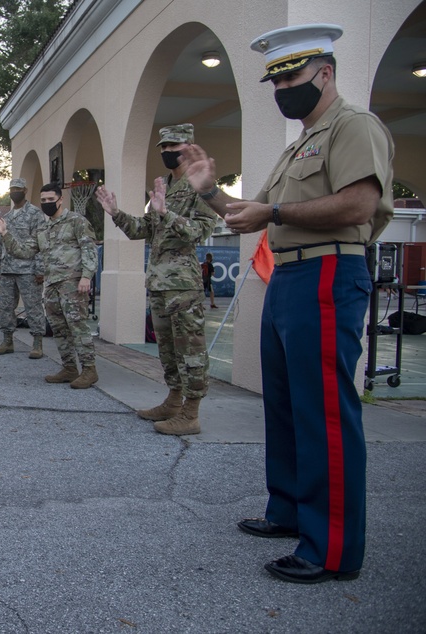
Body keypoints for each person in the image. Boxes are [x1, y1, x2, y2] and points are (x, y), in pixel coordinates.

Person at [181, 24, 394, 583]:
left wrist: (272, 215)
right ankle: (291, 512)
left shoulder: (353, 126)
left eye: (291, 76)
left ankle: (331, 548)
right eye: (275, 80)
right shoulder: (298, 143)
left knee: (323, 411)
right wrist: (209, 190)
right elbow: (247, 211)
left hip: (328, 271)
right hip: (290, 278)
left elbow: (358, 204)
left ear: (325, 73)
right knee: (285, 405)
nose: (282, 89)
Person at [95, 123, 219, 436]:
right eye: (163, 147)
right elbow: (143, 230)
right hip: (160, 282)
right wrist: (115, 212)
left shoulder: (199, 186)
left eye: (173, 146)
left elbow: (200, 231)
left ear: (188, 146)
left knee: (190, 349)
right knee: (167, 348)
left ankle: (191, 413)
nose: (166, 151)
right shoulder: (163, 185)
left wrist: (167, 214)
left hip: (183, 284)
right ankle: (173, 401)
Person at [0, 183, 99, 388]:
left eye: (51, 200)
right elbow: (24, 252)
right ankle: (69, 368)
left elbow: (89, 249)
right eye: (44, 200)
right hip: (52, 285)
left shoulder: (76, 221)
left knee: (77, 327)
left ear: (60, 200)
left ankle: (89, 370)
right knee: (59, 329)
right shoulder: (44, 228)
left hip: (72, 284)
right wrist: (5, 233)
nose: (48, 203)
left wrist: (87, 276)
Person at [0, 177, 46, 358]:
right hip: (7, 270)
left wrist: (40, 269)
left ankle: (37, 344)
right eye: (12, 189)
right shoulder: (7, 217)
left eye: (18, 189)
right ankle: (7, 340)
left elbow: (42, 244)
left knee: (33, 307)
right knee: (5, 307)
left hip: (28, 270)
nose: (14, 192)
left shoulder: (35, 214)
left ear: (25, 191)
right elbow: (0, 246)